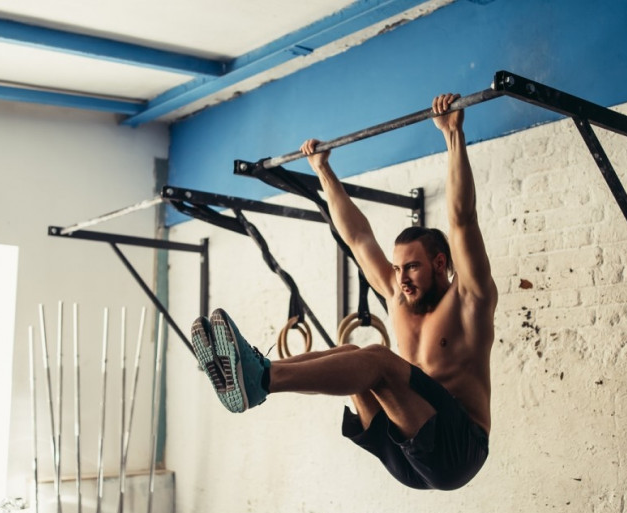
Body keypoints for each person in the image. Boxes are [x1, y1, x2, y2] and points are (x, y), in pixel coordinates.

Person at [191, 93, 498, 490]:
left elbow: (463, 219)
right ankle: (255, 377)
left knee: (379, 360)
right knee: (355, 355)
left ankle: (261, 379)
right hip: (407, 455)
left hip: (457, 451)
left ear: (441, 263)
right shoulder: (397, 296)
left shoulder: (470, 300)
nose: (401, 278)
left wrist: (453, 134)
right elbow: (357, 237)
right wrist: (323, 172)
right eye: (397, 268)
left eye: (413, 267)